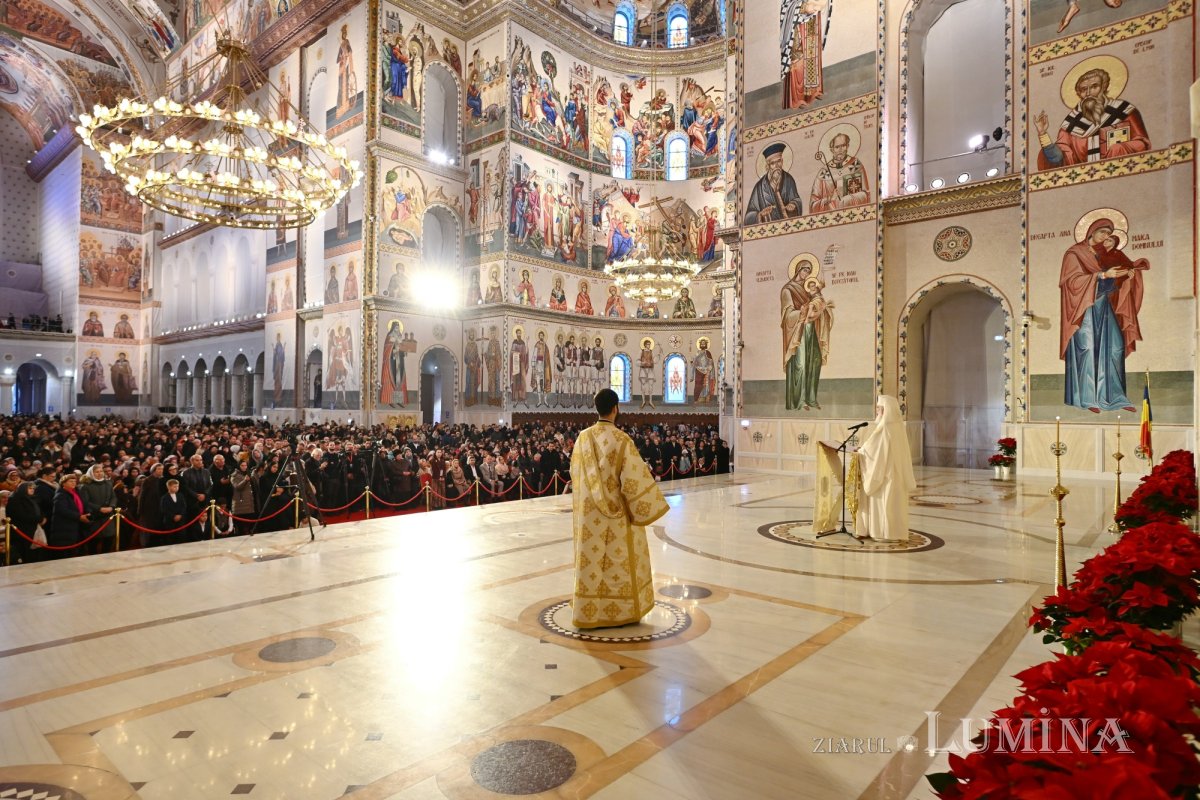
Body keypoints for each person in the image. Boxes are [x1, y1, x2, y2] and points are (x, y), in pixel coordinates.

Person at [569, 389, 669, 629]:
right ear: (616, 408)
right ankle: (618, 611)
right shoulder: (622, 440)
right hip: (618, 515)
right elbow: (634, 480)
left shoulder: (583, 438)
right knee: (618, 561)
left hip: (588, 515)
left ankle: (588, 611)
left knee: (592, 561)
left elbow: (575, 473)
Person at [1035, 67, 1150, 171]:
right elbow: (1059, 157)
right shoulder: (1070, 123)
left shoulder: (1124, 110)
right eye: (1084, 89)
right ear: (1079, 93)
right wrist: (1043, 133)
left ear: (1103, 87)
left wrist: (1118, 149)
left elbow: (1142, 143)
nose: (1089, 93)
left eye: (1094, 86)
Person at [854, 396, 915, 542]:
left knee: (884, 504)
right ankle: (894, 533)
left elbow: (874, 453)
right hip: (895, 476)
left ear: (886, 410)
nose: (876, 411)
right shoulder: (898, 427)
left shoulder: (885, 428)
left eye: (879, 408)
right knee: (892, 506)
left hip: (883, 477)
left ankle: (882, 533)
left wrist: (860, 452)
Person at [744, 142, 802, 224]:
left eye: (778, 161)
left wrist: (794, 204)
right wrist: (760, 214)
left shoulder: (788, 179)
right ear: (768, 166)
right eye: (772, 163)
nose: (776, 166)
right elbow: (748, 216)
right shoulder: (759, 187)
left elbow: (796, 199)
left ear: (782, 161)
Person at [50, 473, 89, 558]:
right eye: (71, 481)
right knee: (65, 553)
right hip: (64, 528)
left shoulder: (75, 493)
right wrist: (79, 516)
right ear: (63, 483)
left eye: (75, 481)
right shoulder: (60, 495)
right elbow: (63, 510)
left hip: (74, 525)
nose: (73, 483)